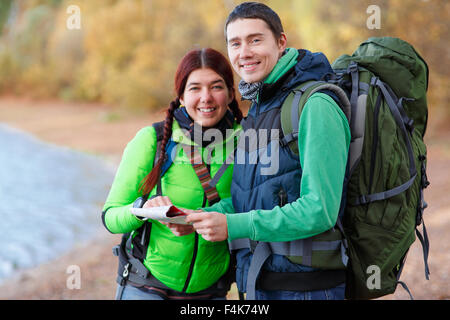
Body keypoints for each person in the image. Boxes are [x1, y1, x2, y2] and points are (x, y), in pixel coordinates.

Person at [184, 2, 351, 300]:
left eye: (255, 40)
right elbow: (250, 199)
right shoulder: (260, 107)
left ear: (281, 42)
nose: (244, 52)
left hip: (308, 289)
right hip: (262, 283)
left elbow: (319, 210)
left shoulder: (315, 105)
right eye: (235, 43)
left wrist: (233, 225)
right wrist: (200, 217)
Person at [102, 48, 243, 300]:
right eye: (195, 88)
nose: (206, 98)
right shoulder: (152, 140)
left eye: (216, 87)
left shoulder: (249, 143)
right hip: (146, 284)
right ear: (180, 96)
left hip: (213, 288)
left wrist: (209, 217)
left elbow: (254, 208)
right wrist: (143, 208)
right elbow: (110, 217)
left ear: (231, 93)